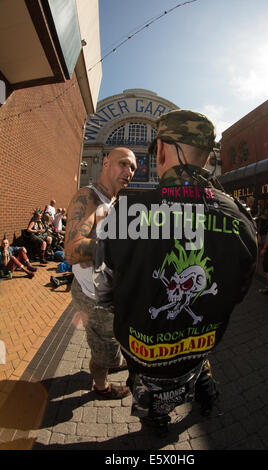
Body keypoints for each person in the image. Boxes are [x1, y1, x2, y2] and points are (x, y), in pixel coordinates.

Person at [93, 110, 258, 435]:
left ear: (161, 151)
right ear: (209, 157)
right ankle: (205, 397)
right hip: (200, 345)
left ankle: (156, 421)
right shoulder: (239, 218)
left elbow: (103, 286)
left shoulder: (125, 212)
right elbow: (239, 291)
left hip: (143, 353)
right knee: (200, 372)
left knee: (151, 402)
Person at [65, 147, 137, 400]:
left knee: (112, 338)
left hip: (110, 295)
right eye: (123, 164)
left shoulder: (113, 201)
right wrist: (123, 246)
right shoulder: (89, 197)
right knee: (102, 348)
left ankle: (111, 358)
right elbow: (72, 251)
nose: (129, 172)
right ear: (105, 163)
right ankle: (100, 385)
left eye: (133, 168)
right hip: (95, 299)